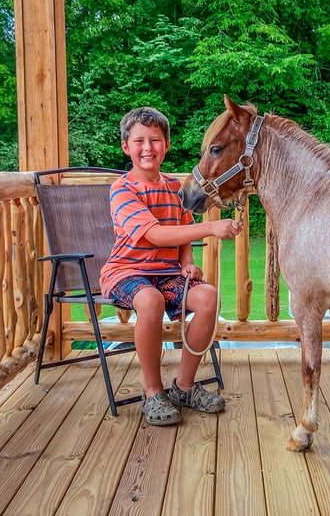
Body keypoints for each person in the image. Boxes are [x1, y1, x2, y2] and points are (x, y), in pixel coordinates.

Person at [100, 107, 242, 426]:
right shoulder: (123, 189)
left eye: (155, 140)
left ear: (166, 145)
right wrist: (211, 228)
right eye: (139, 141)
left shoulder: (175, 188)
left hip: (167, 274)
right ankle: (152, 392)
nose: (147, 147)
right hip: (127, 272)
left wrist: (188, 263)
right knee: (150, 300)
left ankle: (184, 387)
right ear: (126, 147)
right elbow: (155, 234)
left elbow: (180, 234)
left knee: (208, 298)